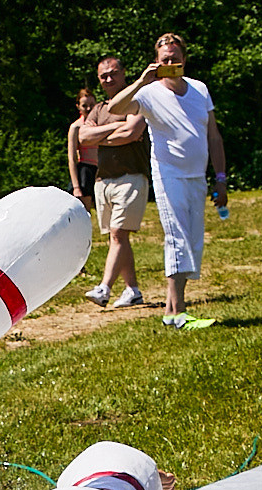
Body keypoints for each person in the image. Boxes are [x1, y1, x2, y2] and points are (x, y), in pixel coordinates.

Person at [105, 33, 229, 328]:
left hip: (196, 176)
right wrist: (141, 81)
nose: (170, 64)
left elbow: (213, 135)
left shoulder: (199, 89)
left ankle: (172, 314)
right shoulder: (148, 93)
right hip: (168, 175)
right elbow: (115, 108)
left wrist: (221, 178)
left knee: (193, 242)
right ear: (156, 62)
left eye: (175, 59)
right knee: (178, 238)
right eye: (164, 61)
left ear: (184, 59)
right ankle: (179, 313)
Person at [76, 57, 151, 309]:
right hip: (102, 179)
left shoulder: (138, 102)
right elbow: (83, 136)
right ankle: (132, 290)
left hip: (131, 177)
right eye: (103, 76)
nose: (108, 79)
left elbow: (132, 133)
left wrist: (101, 136)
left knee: (119, 234)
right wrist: (116, 128)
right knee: (117, 238)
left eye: (113, 74)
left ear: (124, 73)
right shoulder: (98, 108)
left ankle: (104, 288)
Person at [65, 86, 97, 209]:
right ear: (78, 106)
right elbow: (72, 158)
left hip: (102, 170)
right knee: (85, 213)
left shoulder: (101, 123)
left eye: (92, 105)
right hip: (85, 172)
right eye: (84, 105)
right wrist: (76, 186)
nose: (88, 109)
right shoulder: (76, 127)